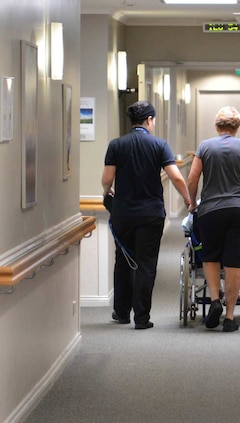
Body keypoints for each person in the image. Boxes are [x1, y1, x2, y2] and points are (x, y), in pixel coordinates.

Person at [102, 101, 192, 330]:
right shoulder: (159, 145)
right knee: (146, 264)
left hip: (123, 213)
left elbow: (107, 178)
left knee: (122, 261)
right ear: (150, 120)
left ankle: (121, 312)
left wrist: (107, 192)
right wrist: (187, 197)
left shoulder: (116, 145)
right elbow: (176, 177)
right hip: (151, 214)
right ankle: (141, 317)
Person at [186, 106, 240, 332]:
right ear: (237, 127)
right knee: (234, 261)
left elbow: (192, 179)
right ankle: (229, 317)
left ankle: (215, 300)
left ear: (217, 126)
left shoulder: (205, 146)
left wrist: (192, 203)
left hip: (210, 210)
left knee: (210, 255)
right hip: (239, 210)